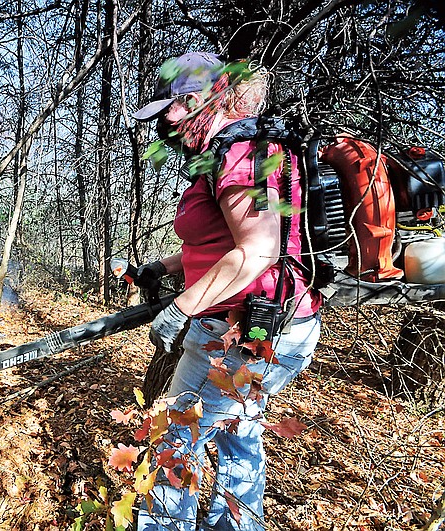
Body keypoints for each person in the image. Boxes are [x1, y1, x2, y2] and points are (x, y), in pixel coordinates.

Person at [130, 52, 322, 530]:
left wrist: (181, 308)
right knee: (239, 432)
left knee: (176, 438)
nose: (165, 130)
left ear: (194, 101)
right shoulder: (237, 151)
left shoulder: (240, 153)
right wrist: (163, 268)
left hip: (239, 333)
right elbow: (226, 243)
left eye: (167, 114)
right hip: (274, 327)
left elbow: (259, 250)